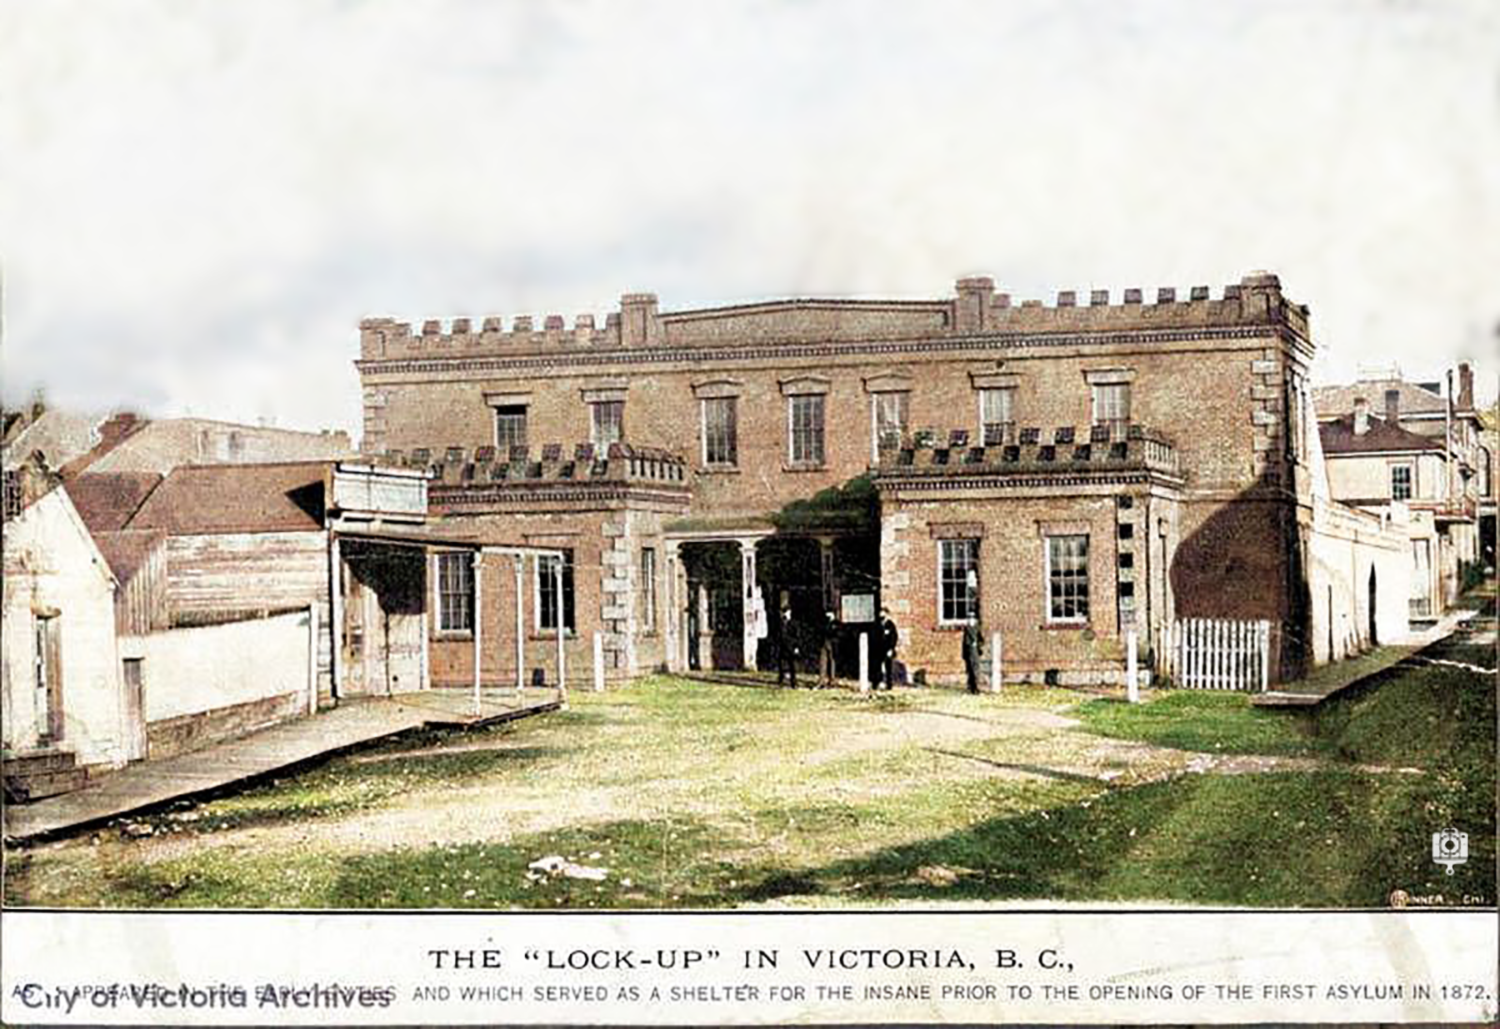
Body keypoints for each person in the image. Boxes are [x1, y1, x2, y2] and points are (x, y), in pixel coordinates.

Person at [776, 605, 800, 688]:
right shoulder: (780, 623)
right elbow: (778, 635)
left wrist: (796, 647)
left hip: (791, 647)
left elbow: (797, 636)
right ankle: (781, 681)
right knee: (781, 665)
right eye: (783, 612)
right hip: (782, 647)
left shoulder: (794, 623)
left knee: (792, 666)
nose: (785, 614)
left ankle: (794, 683)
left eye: (786, 612)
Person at [962, 616, 984, 694]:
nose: (971, 620)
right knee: (970, 670)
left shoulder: (977, 627)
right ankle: (971, 687)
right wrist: (964, 654)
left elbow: (981, 639)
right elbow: (964, 642)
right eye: (969, 618)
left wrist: (978, 646)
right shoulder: (966, 628)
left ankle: (976, 687)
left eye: (972, 618)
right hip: (968, 651)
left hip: (975, 652)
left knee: (975, 670)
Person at [879, 608, 899, 690]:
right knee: (879, 667)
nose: (882, 616)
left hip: (888, 649)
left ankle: (889, 684)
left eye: (883, 615)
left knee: (888, 667)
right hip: (880, 650)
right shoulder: (878, 625)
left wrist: (891, 648)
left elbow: (894, 637)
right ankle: (879, 682)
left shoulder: (890, 625)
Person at [818, 610, 838, 688]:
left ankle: (832, 681)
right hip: (824, 643)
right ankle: (822, 681)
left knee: (832, 663)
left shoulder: (836, 623)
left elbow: (837, 634)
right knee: (823, 662)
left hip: (832, 644)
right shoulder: (825, 623)